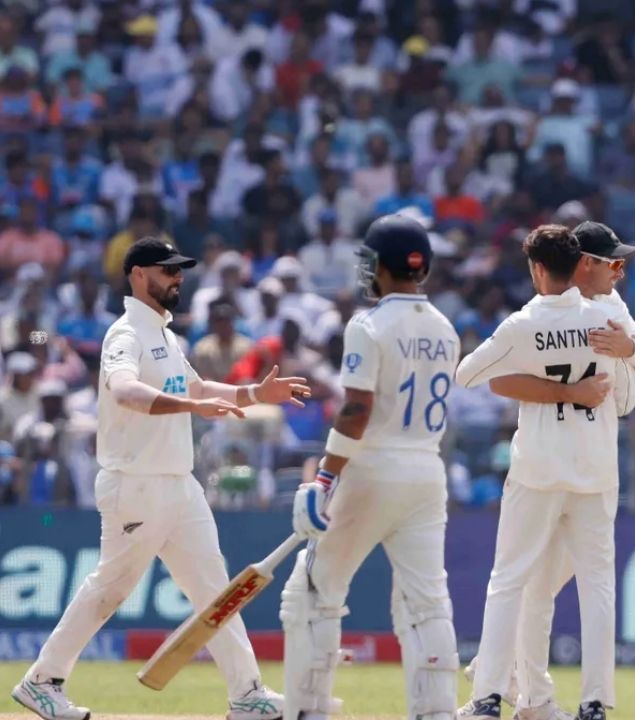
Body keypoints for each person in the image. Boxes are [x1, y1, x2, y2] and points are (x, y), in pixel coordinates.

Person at [11, 238, 309, 720]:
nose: (177, 278)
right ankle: (42, 682)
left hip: (179, 485)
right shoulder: (126, 334)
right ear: (137, 275)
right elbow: (126, 391)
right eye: (166, 270)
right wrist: (194, 407)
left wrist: (255, 391)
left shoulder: (167, 336)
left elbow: (197, 387)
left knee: (217, 591)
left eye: (179, 271)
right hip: (136, 484)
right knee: (111, 588)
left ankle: (247, 693)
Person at [466, 220, 635, 720]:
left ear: (536, 268)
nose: (619, 271)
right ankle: (591, 702)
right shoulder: (602, 318)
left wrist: (542, 381)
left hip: (536, 466)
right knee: (595, 587)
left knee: (510, 580)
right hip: (595, 468)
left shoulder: (524, 322)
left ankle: (489, 696)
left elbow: (471, 375)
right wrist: (583, 385)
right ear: (580, 263)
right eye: (611, 262)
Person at [280, 214, 461, 720]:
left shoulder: (368, 324)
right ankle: (437, 711)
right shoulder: (445, 328)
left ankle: (309, 709)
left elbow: (357, 409)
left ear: (380, 266)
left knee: (312, 593)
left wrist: (324, 476)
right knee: (427, 602)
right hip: (427, 471)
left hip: (371, 468)